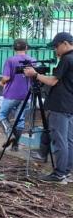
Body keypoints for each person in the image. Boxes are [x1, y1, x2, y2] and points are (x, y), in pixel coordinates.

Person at [24, 32, 73, 183]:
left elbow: (52, 81)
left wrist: (35, 74)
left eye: (56, 47)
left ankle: (59, 174)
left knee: (60, 140)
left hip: (60, 105)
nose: (55, 51)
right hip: (70, 104)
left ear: (65, 43)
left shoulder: (67, 58)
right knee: (69, 139)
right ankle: (67, 171)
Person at [0, 39, 34, 151]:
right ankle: (15, 146)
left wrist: (2, 82)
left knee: (2, 115)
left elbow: (7, 77)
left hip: (12, 94)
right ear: (26, 48)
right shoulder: (32, 60)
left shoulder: (10, 60)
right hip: (27, 95)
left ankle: (10, 135)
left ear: (14, 48)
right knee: (20, 119)